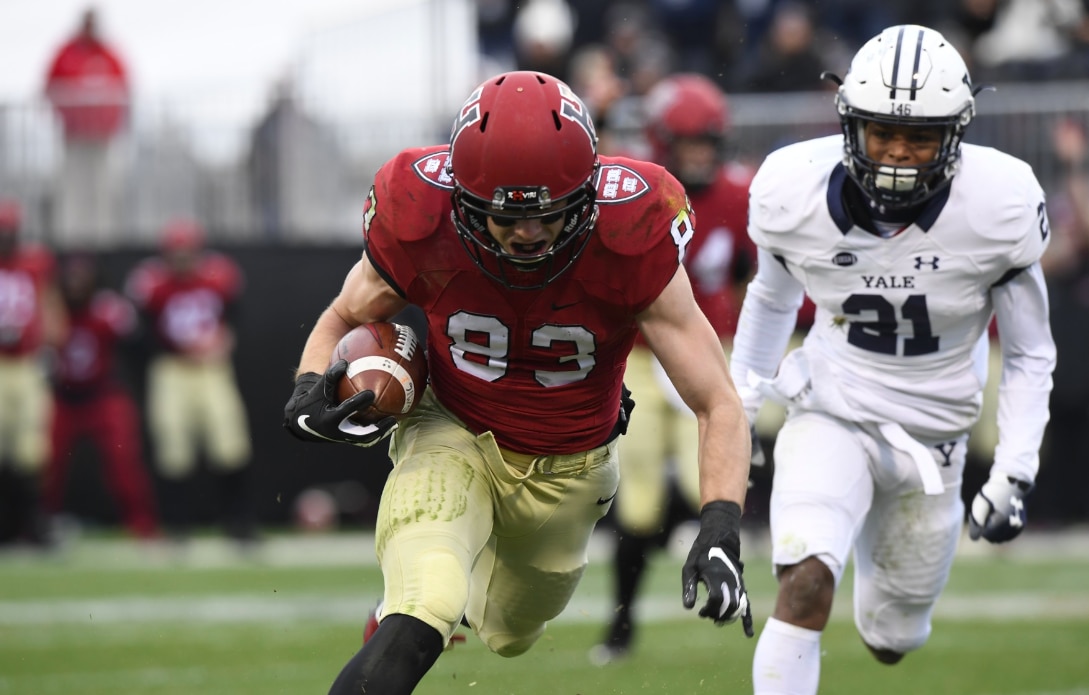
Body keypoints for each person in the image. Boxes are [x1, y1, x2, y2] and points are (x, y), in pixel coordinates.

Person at [282, 70, 754, 695]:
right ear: (461, 198)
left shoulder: (631, 229)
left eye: (549, 214)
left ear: (586, 196)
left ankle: (452, 596)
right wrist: (308, 387)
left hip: (570, 467)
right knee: (426, 602)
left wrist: (720, 523)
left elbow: (717, 400)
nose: (527, 233)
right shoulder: (421, 213)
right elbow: (345, 314)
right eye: (503, 216)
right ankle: (406, 606)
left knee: (509, 632)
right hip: (450, 429)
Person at [727, 25, 1056, 694]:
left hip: (933, 435)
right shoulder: (792, 190)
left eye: (920, 136)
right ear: (849, 123)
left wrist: (1013, 472)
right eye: (882, 132)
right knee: (804, 580)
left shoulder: (1000, 202)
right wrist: (738, 412)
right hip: (832, 408)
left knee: (890, 639)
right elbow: (770, 301)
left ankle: (889, 608)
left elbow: (1028, 352)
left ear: (955, 134)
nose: (900, 154)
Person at [590, 72, 756, 665]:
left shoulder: (739, 197)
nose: (700, 158)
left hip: (699, 350)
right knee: (633, 497)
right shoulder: (641, 194)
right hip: (637, 355)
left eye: (707, 145)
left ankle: (706, 546)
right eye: (688, 146)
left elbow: (746, 276)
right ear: (663, 143)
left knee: (704, 473)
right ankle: (621, 624)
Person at [124, 219, 256, 546]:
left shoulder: (219, 274)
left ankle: (238, 523)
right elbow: (138, 331)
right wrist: (179, 348)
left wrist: (224, 338)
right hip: (171, 368)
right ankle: (178, 525)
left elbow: (234, 314)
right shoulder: (150, 281)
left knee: (229, 440)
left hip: (212, 367)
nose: (182, 259)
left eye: (187, 252)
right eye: (176, 252)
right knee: (172, 443)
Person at [46, 253, 160, 540]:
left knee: (124, 463)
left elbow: (139, 344)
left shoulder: (107, 309)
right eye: (70, 279)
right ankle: (40, 525)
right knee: (47, 465)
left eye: (81, 279)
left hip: (102, 395)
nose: (75, 285)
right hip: (62, 398)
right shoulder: (50, 310)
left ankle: (142, 524)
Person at [0, 200, 65, 548]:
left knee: (32, 449)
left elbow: (49, 303)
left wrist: (51, 346)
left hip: (26, 364)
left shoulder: (36, 262)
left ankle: (32, 525)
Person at [44, 7, 130, 246]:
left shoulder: (108, 53)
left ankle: (104, 237)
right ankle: (70, 237)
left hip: (102, 136)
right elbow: (49, 85)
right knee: (73, 186)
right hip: (74, 136)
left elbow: (125, 85)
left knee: (103, 187)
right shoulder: (66, 52)